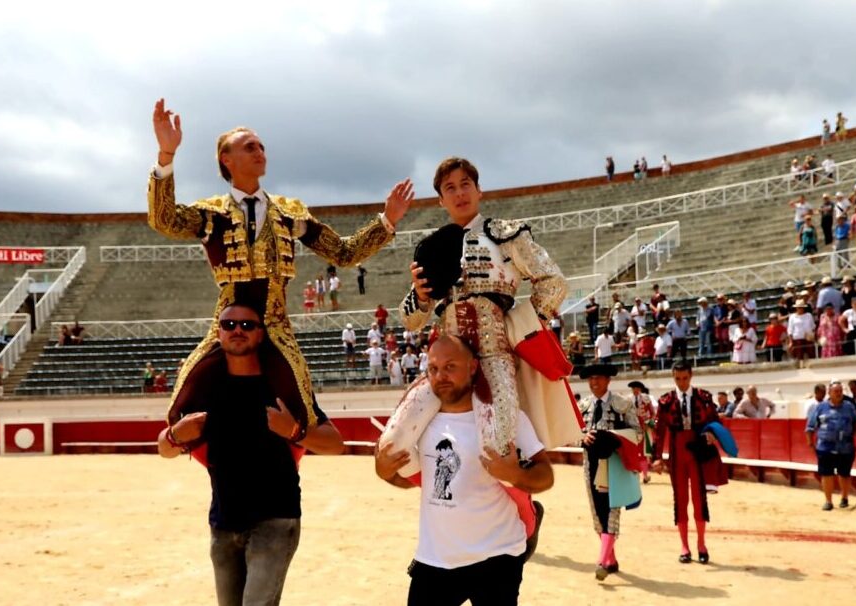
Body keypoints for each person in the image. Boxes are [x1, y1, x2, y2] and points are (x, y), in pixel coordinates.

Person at [148, 98, 414, 438]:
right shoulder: (211, 212)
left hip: (274, 324)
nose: (260, 151)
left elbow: (344, 253)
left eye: (261, 146)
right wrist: (166, 156)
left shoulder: (290, 213)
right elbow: (164, 219)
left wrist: (387, 221)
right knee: (183, 401)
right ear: (226, 160)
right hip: (227, 324)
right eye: (249, 147)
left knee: (305, 409)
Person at [157, 302, 344, 606]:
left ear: (261, 335)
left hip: (275, 520)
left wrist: (294, 432)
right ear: (218, 333)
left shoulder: (282, 386)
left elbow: (335, 443)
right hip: (223, 524)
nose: (237, 331)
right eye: (229, 325)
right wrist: (177, 434)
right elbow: (163, 448)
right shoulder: (206, 388)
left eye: (247, 325)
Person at [399, 156, 569, 464]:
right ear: (441, 200)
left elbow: (554, 282)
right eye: (450, 188)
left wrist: (521, 324)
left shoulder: (505, 235)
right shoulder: (434, 249)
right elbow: (410, 321)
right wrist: (422, 297)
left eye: (466, 184)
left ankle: (523, 511)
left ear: (480, 191)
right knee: (396, 443)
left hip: (494, 357)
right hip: (446, 364)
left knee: (498, 447)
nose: (460, 193)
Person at [374, 336, 553, 605]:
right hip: (435, 558)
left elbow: (546, 476)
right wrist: (384, 471)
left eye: (450, 366)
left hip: (498, 556)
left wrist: (516, 475)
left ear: (472, 367)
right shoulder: (419, 424)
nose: (440, 376)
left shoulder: (507, 417)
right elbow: (412, 482)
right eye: (433, 369)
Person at [651, 362, 725, 564]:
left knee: (699, 499)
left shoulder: (704, 397)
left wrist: (712, 434)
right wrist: (657, 457)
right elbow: (659, 433)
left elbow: (716, 422)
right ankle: (684, 546)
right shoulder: (666, 401)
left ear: (691, 376)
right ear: (673, 377)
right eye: (677, 379)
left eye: (685, 378)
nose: (682, 383)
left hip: (697, 450)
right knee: (681, 498)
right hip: (677, 452)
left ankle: (701, 544)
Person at [577, 364, 642, 581]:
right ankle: (611, 559)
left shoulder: (622, 404)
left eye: (598, 378)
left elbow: (638, 434)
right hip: (590, 465)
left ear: (608, 381)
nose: (594, 382)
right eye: (590, 379)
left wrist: (614, 438)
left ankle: (602, 561)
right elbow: (574, 433)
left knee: (611, 511)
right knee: (597, 513)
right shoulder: (583, 405)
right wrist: (582, 438)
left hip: (613, 465)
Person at [806, 381, 856, 510]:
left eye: (840, 391)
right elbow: (810, 427)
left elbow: (855, 423)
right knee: (826, 474)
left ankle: (844, 498)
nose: (839, 394)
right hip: (825, 446)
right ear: (829, 393)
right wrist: (810, 443)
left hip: (845, 446)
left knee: (844, 474)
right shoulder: (820, 407)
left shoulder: (849, 406)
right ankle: (828, 501)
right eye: (836, 391)